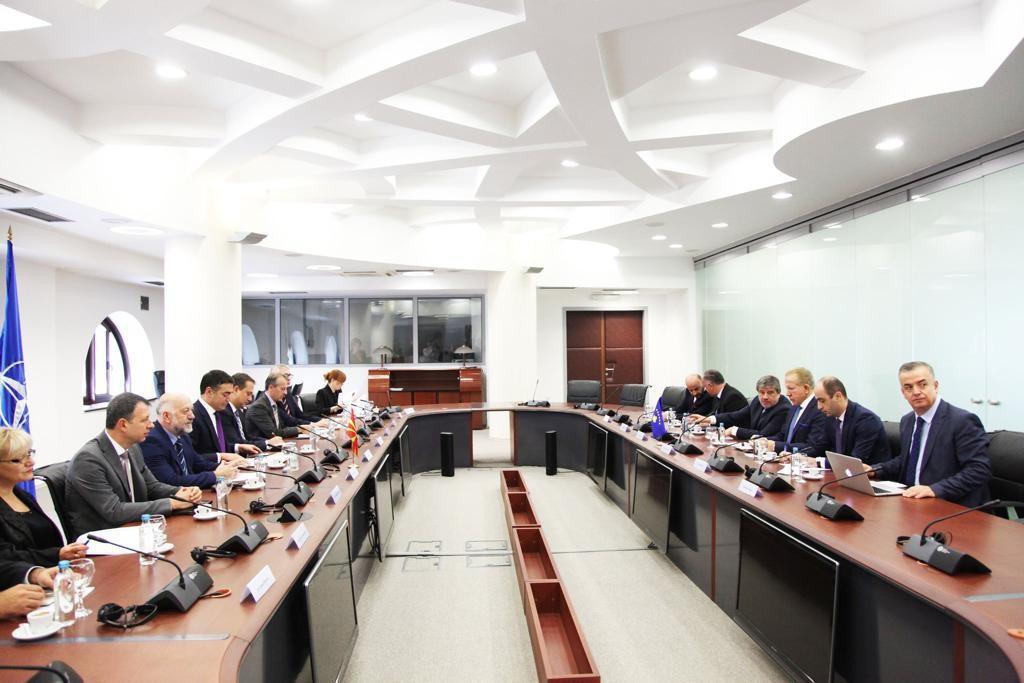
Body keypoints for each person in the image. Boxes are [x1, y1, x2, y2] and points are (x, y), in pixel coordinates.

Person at [66, 392, 203, 536]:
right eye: (144, 420)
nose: (151, 425)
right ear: (123, 424)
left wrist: (180, 492)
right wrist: (172, 503)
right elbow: (114, 511)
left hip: (135, 529)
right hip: (103, 538)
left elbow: (152, 486)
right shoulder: (88, 460)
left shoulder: (133, 448)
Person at [870, 362, 991, 505]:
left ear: (935, 386)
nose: (916, 392)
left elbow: (979, 469)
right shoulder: (908, 420)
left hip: (949, 503)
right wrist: (874, 470)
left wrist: (934, 489)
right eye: (909, 387)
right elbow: (907, 459)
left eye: (922, 385)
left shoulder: (962, 421)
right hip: (911, 499)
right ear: (903, 393)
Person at [0, 428, 88, 565]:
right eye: (18, 459)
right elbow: (5, 557)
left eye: (29, 454)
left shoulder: (21, 495)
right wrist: (56, 555)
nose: (31, 462)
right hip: (29, 576)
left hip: (56, 569)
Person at [140, 394, 239, 489]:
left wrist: (226, 467)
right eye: (186, 411)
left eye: (192, 410)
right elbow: (171, 482)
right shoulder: (151, 441)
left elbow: (198, 464)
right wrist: (215, 475)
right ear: (166, 416)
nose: (192, 416)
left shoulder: (183, 436)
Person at [814, 376, 890, 466]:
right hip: (842, 472)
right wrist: (802, 457)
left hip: (870, 473)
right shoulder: (830, 418)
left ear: (838, 396)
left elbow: (854, 460)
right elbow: (820, 446)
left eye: (822, 401)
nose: (819, 407)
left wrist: (819, 462)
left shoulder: (866, 419)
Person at [690, 375, 791, 439]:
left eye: (770, 393)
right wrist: (708, 419)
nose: (765, 397)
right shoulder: (757, 401)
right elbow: (736, 415)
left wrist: (734, 430)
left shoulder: (784, 409)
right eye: (762, 392)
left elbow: (763, 434)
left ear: (778, 393)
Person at [757, 367, 827, 457]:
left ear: (806, 388)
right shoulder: (794, 407)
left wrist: (776, 446)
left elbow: (812, 447)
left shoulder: (819, 409)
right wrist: (765, 441)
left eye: (791, 388)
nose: (787, 393)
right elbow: (783, 435)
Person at [190, 370, 260, 458]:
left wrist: (238, 447)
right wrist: (220, 457)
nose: (228, 399)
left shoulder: (216, 413)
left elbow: (220, 447)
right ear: (209, 392)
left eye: (230, 394)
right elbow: (191, 456)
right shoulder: (193, 416)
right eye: (225, 394)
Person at [223, 373, 284, 451]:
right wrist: (267, 443)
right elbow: (237, 443)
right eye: (248, 394)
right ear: (236, 390)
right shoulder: (224, 413)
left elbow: (248, 437)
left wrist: (269, 441)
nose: (250, 399)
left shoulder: (239, 412)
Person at [245, 373, 307, 439]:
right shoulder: (259, 407)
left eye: (286, 389)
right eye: (282, 389)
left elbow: (281, 427)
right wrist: (300, 429)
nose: (285, 393)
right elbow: (274, 433)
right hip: (263, 444)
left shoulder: (274, 403)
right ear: (271, 387)